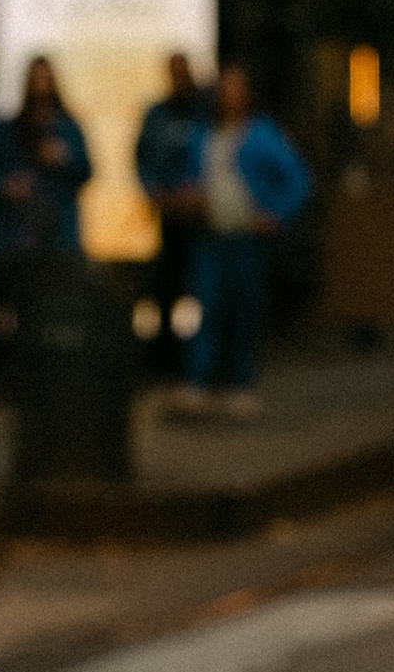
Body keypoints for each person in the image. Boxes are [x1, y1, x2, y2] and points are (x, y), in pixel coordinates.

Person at [171, 63, 311, 419]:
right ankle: (198, 381)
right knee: (205, 309)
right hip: (210, 235)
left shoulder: (262, 133)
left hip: (246, 238)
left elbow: (297, 178)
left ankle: (240, 383)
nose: (229, 95)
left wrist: (276, 214)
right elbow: (191, 174)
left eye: (236, 89)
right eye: (224, 89)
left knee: (244, 311)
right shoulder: (205, 134)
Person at [133, 51, 213, 370]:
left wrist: (201, 192)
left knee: (201, 288)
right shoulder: (157, 114)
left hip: (203, 218)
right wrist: (155, 192)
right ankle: (164, 361)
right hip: (168, 216)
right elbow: (141, 157)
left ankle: (197, 363)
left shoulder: (206, 113)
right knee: (165, 287)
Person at [0, 57, 91, 258]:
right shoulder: (10, 129)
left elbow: (86, 170)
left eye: (45, 79)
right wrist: (5, 186)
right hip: (20, 231)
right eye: (36, 79)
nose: (41, 85)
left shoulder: (68, 128)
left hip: (59, 230)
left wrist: (64, 159)